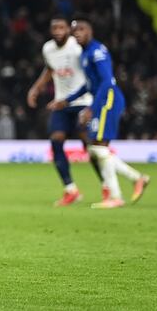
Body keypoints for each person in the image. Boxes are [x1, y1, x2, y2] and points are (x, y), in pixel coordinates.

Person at [47, 16, 150, 208]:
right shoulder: (85, 54)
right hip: (102, 100)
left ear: (90, 32)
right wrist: (65, 101)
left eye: (82, 30)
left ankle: (118, 195)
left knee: (98, 148)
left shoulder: (97, 52)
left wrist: (91, 109)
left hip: (107, 99)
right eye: (75, 31)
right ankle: (134, 180)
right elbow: (88, 85)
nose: (78, 34)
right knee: (96, 149)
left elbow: (106, 82)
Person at [27, 15, 103, 206]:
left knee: (90, 146)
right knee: (56, 140)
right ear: (51, 31)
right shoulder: (48, 48)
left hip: (83, 101)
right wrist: (36, 88)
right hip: (61, 103)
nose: (58, 32)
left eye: (62, 28)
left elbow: (92, 69)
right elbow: (50, 70)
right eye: (55, 29)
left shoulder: (77, 47)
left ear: (68, 30)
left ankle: (107, 186)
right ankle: (71, 189)